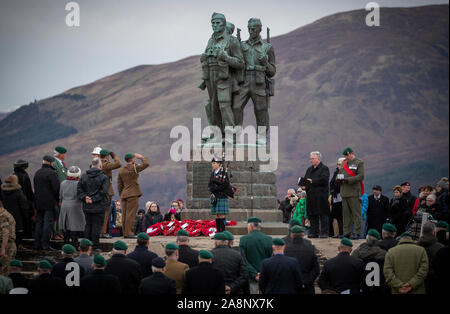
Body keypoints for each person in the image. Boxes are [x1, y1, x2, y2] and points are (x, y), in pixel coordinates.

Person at [201, 12, 244, 140]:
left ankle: (230, 133)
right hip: (210, 76)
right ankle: (218, 134)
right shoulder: (211, 40)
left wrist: (226, 57)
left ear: (224, 24)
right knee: (214, 106)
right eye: (213, 23)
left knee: (224, 104)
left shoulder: (232, 40)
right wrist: (204, 58)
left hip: (224, 76)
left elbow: (240, 62)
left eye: (217, 23)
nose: (214, 25)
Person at [233, 17, 275, 144]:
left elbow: (272, 71)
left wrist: (266, 63)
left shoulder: (267, 48)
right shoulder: (241, 45)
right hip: (244, 80)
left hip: (259, 81)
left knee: (261, 109)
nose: (251, 30)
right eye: (249, 28)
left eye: (254, 28)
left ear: (260, 29)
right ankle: (235, 136)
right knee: (236, 106)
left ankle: (261, 137)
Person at [77, 158, 110, 246]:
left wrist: (85, 197)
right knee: (97, 226)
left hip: (87, 205)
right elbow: (103, 192)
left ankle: (86, 246)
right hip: (99, 206)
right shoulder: (104, 177)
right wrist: (93, 199)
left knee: (88, 225)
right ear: (100, 166)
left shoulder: (84, 176)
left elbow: (79, 189)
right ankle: (95, 246)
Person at [117, 152, 149, 238]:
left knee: (124, 214)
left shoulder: (121, 170)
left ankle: (125, 233)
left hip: (124, 194)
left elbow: (119, 184)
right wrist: (141, 157)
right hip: (133, 194)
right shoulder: (134, 167)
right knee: (131, 214)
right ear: (132, 159)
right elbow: (146, 164)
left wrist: (121, 194)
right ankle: (129, 233)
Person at [239, 217, 273, 294]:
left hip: (251, 277)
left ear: (250, 226)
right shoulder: (269, 239)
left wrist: (254, 274)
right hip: (265, 276)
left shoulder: (244, 239)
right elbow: (271, 258)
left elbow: (243, 259)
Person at [300, 151, 330, 238]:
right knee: (312, 215)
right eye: (310, 159)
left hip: (321, 196)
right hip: (311, 195)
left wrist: (312, 181)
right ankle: (314, 232)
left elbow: (324, 180)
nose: (311, 160)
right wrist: (304, 185)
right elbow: (306, 179)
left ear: (318, 159)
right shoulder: (309, 169)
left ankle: (324, 233)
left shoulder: (324, 168)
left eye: (313, 159)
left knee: (323, 214)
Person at [337, 147, 365, 240]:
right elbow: (340, 173)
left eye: (347, 155)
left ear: (351, 153)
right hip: (344, 192)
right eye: (345, 155)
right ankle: (347, 232)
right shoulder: (344, 163)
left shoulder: (359, 163)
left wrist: (348, 180)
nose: (346, 157)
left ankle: (357, 232)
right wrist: (339, 179)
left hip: (353, 191)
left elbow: (361, 176)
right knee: (346, 214)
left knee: (356, 213)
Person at [33, 155, 60, 251]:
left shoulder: (37, 173)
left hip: (38, 203)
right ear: (51, 162)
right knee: (48, 224)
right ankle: (45, 245)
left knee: (39, 223)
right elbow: (56, 189)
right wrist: (57, 200)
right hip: (49, 203)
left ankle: (37, 244)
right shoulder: (52, 173)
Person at [284, 225, 320, 294]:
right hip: (307, 287)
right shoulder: (310, 249)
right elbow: (316, 270)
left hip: (290, 286)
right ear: (303, 235)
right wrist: (307, 282)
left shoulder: (285, 250)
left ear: (291, 235)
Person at [351, 229, 387, 294]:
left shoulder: (357, 252)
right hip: (379, 288)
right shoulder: (384, 253)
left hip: (361, 287)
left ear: (367, 239)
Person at [59, 166, 85, 247]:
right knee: (74, 226)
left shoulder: (63, 183)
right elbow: (81, 195)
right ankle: (75, 244)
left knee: (65, 225)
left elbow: (60, 196)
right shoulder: (79, 184)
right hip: (76, 206)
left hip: (64, 205)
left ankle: (65, 244)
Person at [0, 175, 28, 249]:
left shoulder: (2, 191)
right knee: (18, 231)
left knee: (6, 231)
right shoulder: (18, 192)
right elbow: (23, 205)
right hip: (18, 215)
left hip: (5, 214)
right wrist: (25, 215)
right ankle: (18, 245)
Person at [99, 149, 121, 239]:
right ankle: (102, 232)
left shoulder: (97, 163)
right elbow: (118, 164)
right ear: (107, 156)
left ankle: (102, 231)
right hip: (107, 190)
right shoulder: (105, 164)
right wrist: (114, 156)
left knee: (104, 212)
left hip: (101, 190)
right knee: (106, 212)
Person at [417, 222, 444, 294]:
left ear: (422, 233)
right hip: (434, 286)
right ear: (435, 233)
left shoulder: (415, 247)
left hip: (416, 284)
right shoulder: (441, 248)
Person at [208, 156, 232, 232]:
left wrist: (216, 188)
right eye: (212, 163)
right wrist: (211, 188)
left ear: (219, 164)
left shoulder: (223, 173)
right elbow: (210, 184)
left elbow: (226, 184)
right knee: (217, 215)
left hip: (221, 195)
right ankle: (218, 232)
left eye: (214, 163)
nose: (212, 165)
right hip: (215, 196)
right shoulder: (213, 173)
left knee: (221, 214)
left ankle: (223, 231)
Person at [13, 160, 34, 239]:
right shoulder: (24, 175)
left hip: (14, 202)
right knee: (26, 218)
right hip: (24, 201)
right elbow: (28, 190)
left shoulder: (13, 175)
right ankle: (27, 235)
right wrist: (32, 199)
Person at [329, 158, 345, 237]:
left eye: (340, 164)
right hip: (335, 197)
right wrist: (332, 190)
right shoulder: (336, 172)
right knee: (337, 215)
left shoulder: (343, 172)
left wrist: (334, 190)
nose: (338, 166)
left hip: (341, 195)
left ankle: (343, 232)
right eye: (338, 164)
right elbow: (332, 182)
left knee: (342, 215)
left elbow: (339, 184)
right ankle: (339, 233)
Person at [0, 200, 16, 275]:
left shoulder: (2, 216)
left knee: (3, 271)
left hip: (6, 246)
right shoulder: (5, 214)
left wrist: (3, 248)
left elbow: (5, 232)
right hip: (8, 245)